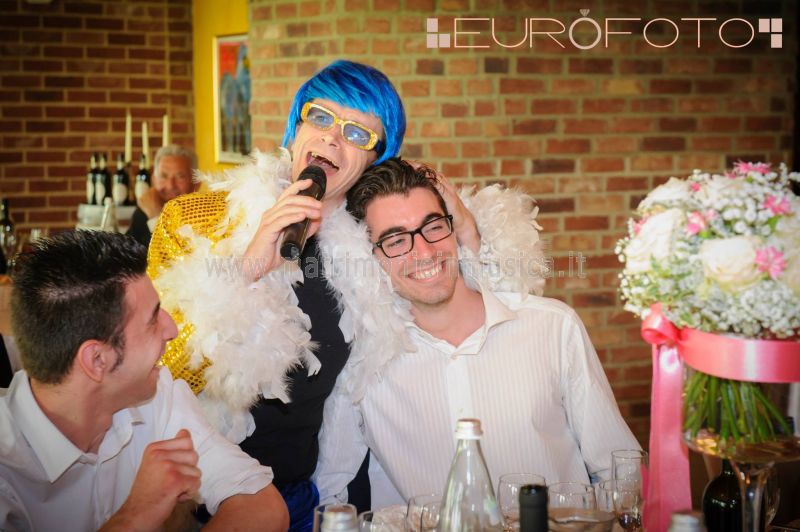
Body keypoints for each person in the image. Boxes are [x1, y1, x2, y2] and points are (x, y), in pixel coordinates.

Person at [148, 59, 545, 531]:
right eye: (320, 117)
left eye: (358, 133)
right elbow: (156, 370)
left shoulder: (373, 239)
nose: (332, 138)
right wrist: (246, 270)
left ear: (376, 159)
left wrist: (464, 223)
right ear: (295, 127)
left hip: (308, 496)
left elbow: (496, 304)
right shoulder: (197, 218)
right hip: (195, 501)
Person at [313, 158, 640, 505]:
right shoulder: (358, 365)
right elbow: (330, 492)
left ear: (454, 228)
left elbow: (619, 470)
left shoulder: (553, 327)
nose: (424, 251)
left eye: (433, 227)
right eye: (395, 241)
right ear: (371, 258)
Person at [0, 231, 288, 531]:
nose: (172, 329)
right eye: (153, 319)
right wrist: (137, 515)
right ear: (97, 360)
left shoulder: (155, 394)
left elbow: (263, 506)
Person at [127, 144, 198, 247]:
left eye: (180, 177)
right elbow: (126, 252)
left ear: (196, 183)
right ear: (154, 180)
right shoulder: (143, 212)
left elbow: (176, 254)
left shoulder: (203, 217)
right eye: (163, 176)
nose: (170, 185)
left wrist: (155, 217)